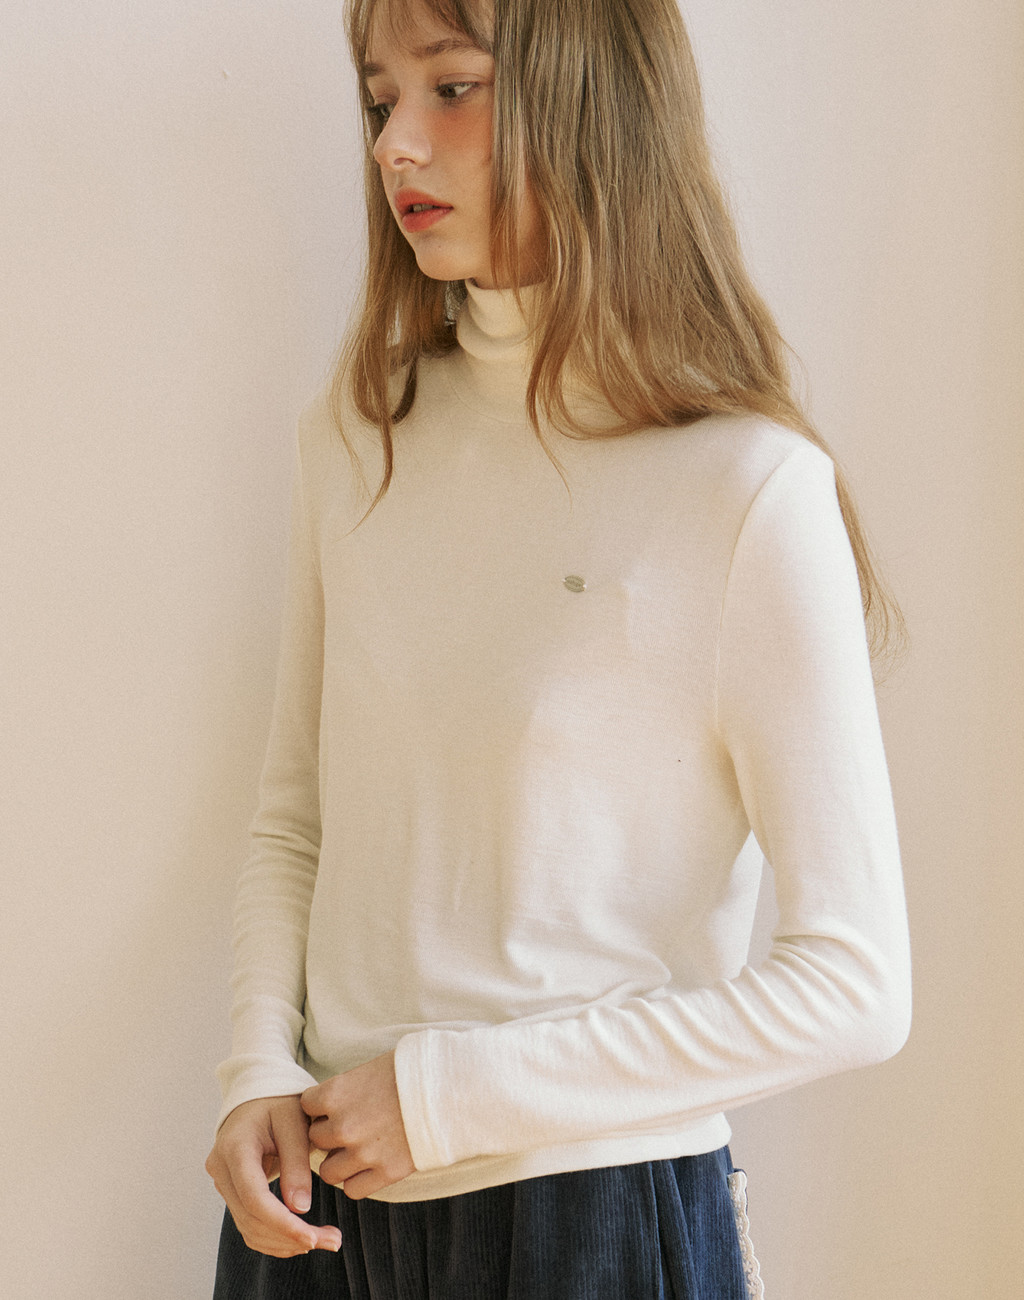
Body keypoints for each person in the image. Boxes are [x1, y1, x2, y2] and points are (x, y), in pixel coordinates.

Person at [205, 0, 912, 1295]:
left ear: (594, 100)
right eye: (380, 99)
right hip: (316, 1209)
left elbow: (855, 985)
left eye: (452, 87)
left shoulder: (746, 486)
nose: (394, 145)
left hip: (591, 1217)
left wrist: (452, 1096)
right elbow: (298, 819)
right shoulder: (357, 435)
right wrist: (257, 1069)